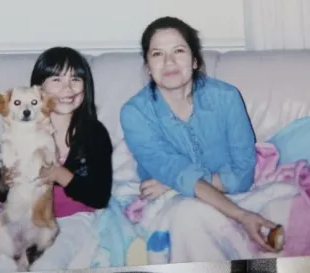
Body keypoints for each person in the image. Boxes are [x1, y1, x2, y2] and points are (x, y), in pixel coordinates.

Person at [120, 16, 284, 262]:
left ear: (195, 60)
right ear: (147, 66)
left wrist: (173, 182)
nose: (169, 62)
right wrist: (240, 215)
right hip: (174, 203)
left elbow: (243, 176)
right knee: (189, 216)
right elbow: (177, 171)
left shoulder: (226, 98)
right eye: (157, 54)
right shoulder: (134, 113)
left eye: (178, 50)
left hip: (235, 195)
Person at [0, 46, 113, 272]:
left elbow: (100, 197)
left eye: (75, 78)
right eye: (56, 79)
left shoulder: (94, 133)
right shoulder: (21, 127)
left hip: (74, 218)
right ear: (39, 89)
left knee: (46, 266)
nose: (67, 88)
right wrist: (5, 180)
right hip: (23, 217)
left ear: (86, 86)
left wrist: (60, 175)